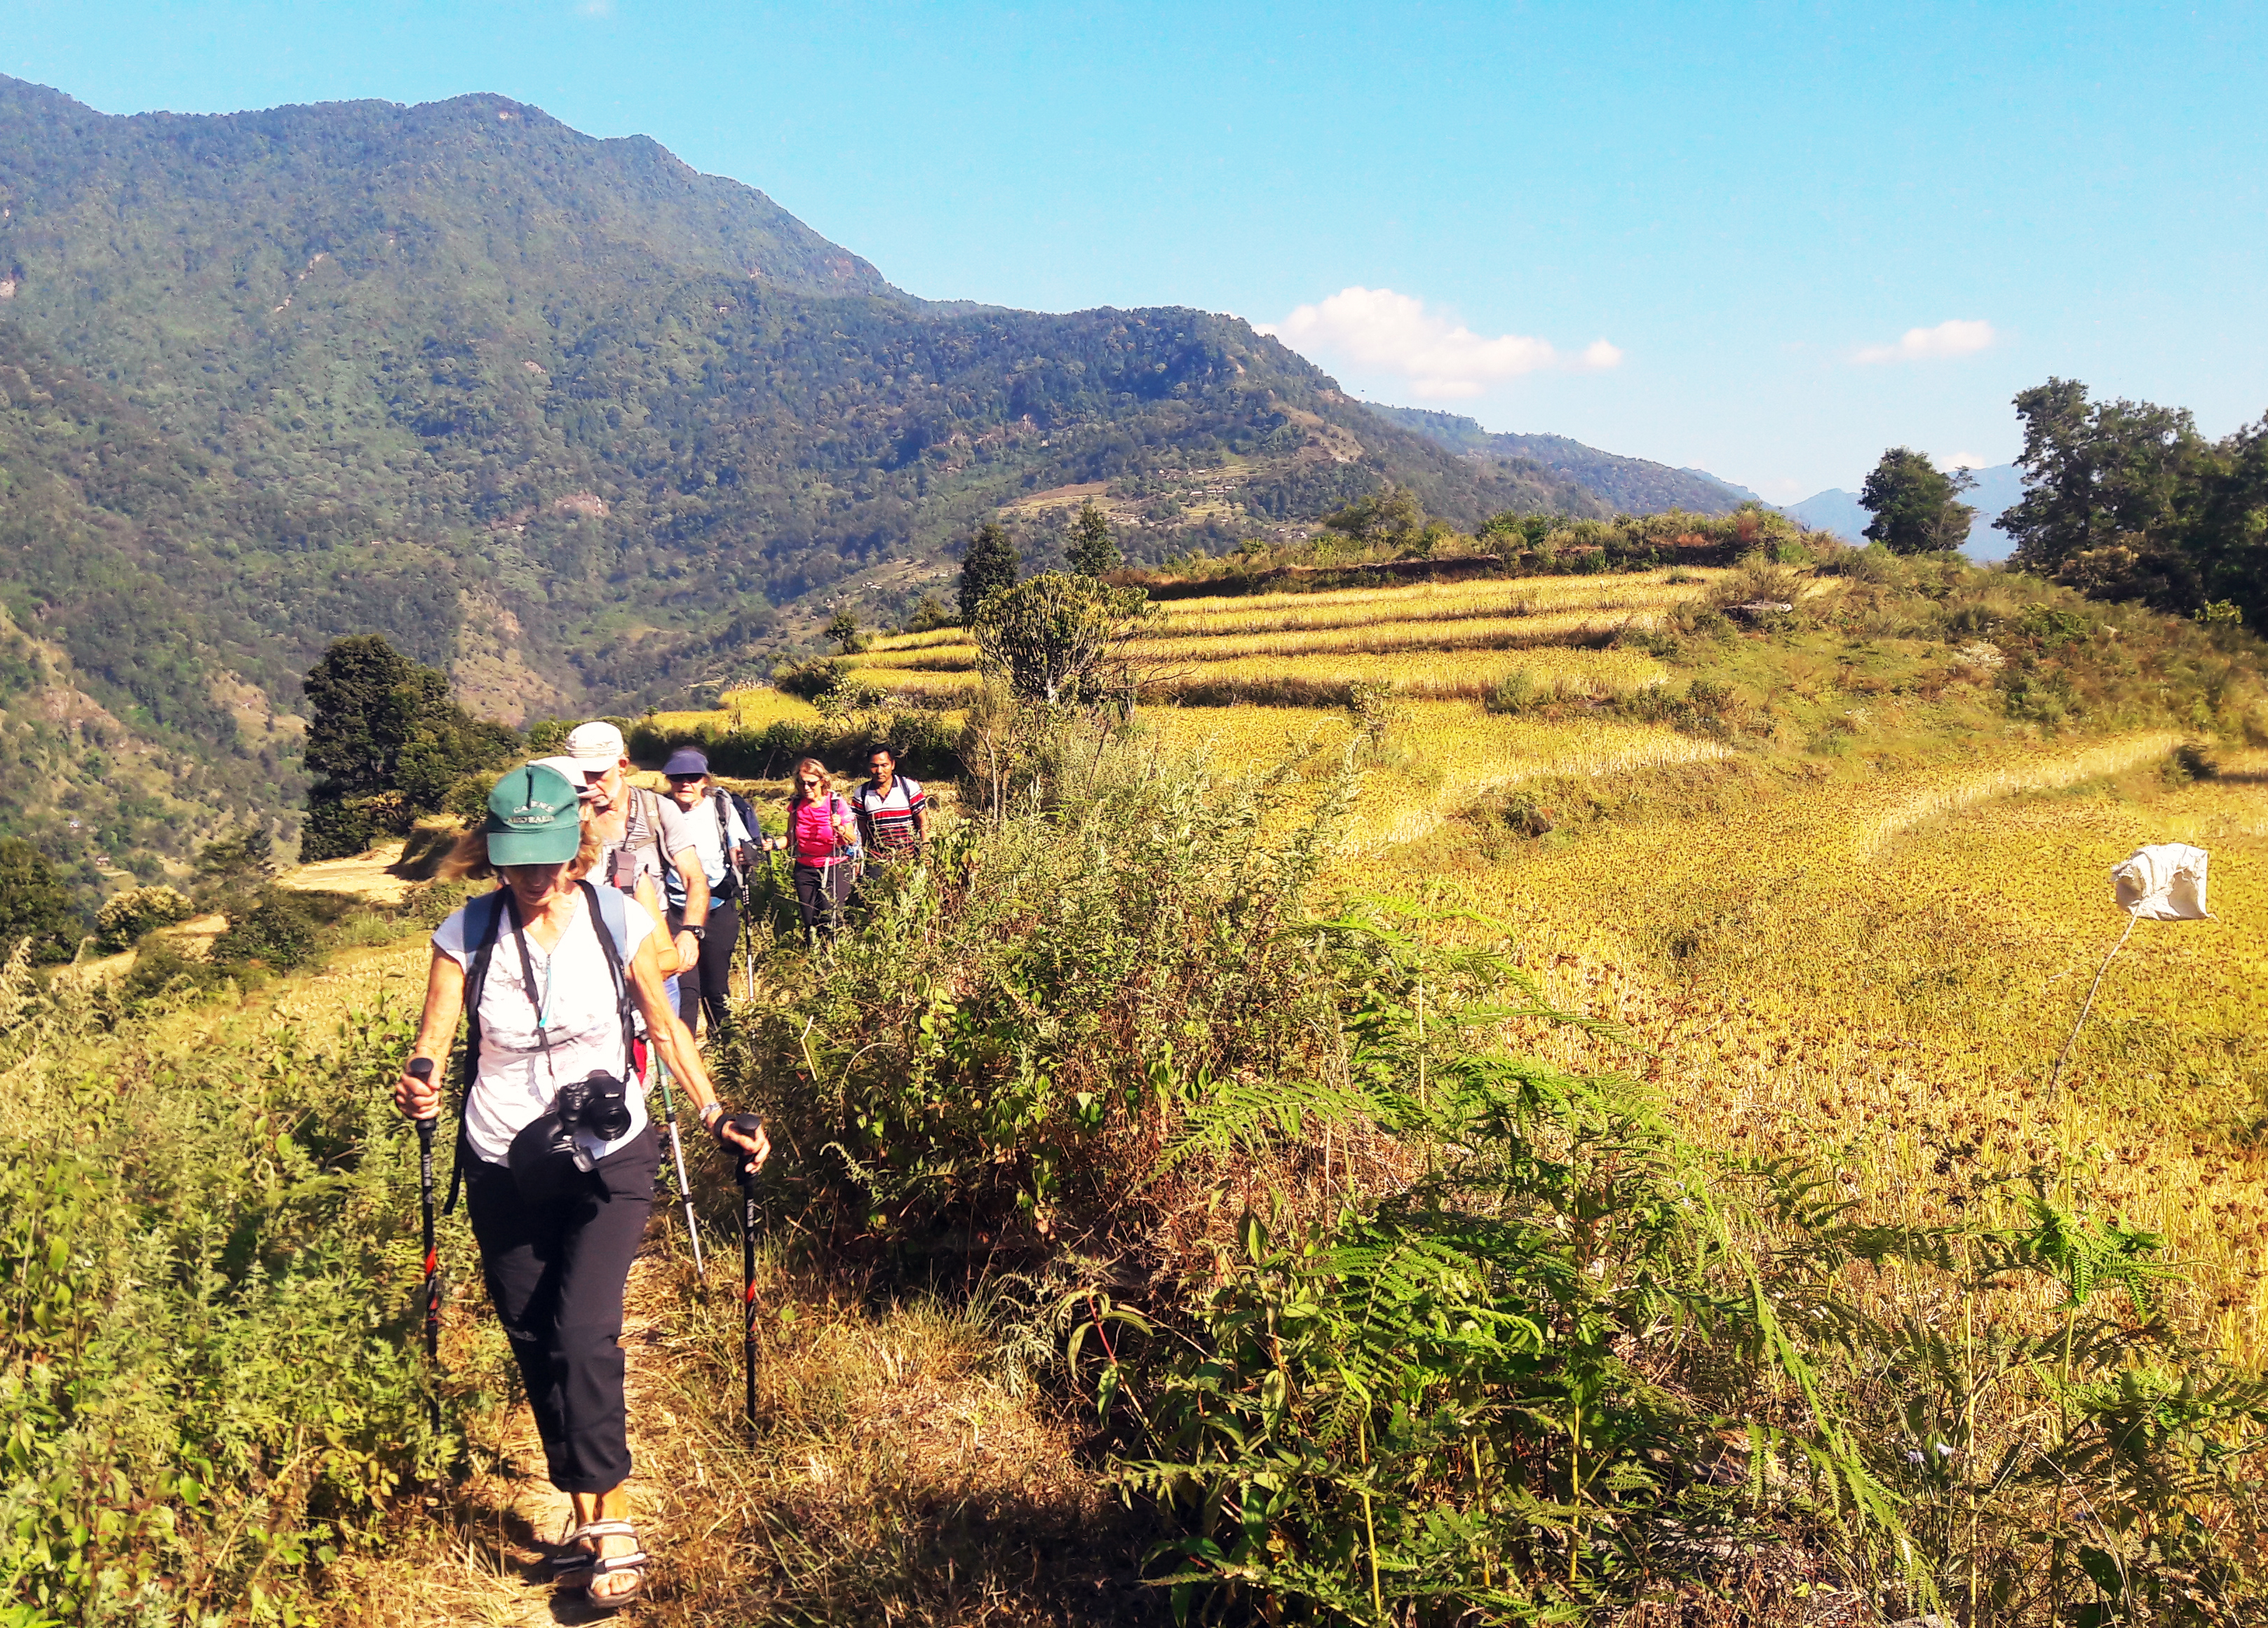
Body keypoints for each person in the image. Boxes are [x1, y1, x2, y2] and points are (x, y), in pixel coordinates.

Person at [394, 764, 768, 1610]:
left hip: (610, 1155)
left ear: (575, 848)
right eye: (515, 860)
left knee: (583, 1334)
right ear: (491, 857)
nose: (532, 877)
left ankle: (618, 1520)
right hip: (501, 1160)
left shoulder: (618, 918)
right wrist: (416, 1077)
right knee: (533, 1341)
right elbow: (435, 1037)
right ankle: (582, 1514)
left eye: (548, 857)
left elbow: (667, 1029)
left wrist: (714, 1118)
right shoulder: (464, 936)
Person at [560, 721, 710, 989]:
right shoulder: (561, 819)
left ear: (622, 765)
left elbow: (695, 878)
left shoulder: (658, 811)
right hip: (582, 956)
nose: (589, 785)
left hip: (654, 949)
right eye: (580, 776)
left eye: (597, 774)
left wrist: (690, 932)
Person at [659, 745, 757, 1037]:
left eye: (693, 777)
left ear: (704, 780)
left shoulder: (720, 807)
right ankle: (686, 1056)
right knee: (685, 987)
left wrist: (745, 858)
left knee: (716, 987)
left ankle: (727, 1051)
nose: (685, 784)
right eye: (678, 778)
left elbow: (739, 846)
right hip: (677, 909)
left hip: (718, 906)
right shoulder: (660, 812)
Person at [763, 758, 858, 940]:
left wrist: (840, 828)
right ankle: (814, 958)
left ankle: (833, 955)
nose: (806, 787)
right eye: (801, 782)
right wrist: (774, 844)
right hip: (805, 868)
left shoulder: (836, 803)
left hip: (834, 865)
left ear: (822, 781)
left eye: (811, 783)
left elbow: (851, 838)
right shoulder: (797, 805)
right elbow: (790, 838)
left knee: (830, 916)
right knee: (810, 920)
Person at [849, 743, 930, 862]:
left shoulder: (909, 787)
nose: (879, 771)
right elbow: (862, 831)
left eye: (884, 765)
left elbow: (923, 821)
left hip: (909, 859)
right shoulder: (861, 793)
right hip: (877, 860)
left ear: (893, 765)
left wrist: (925, 852)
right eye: (874, 766)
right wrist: (859, 859)